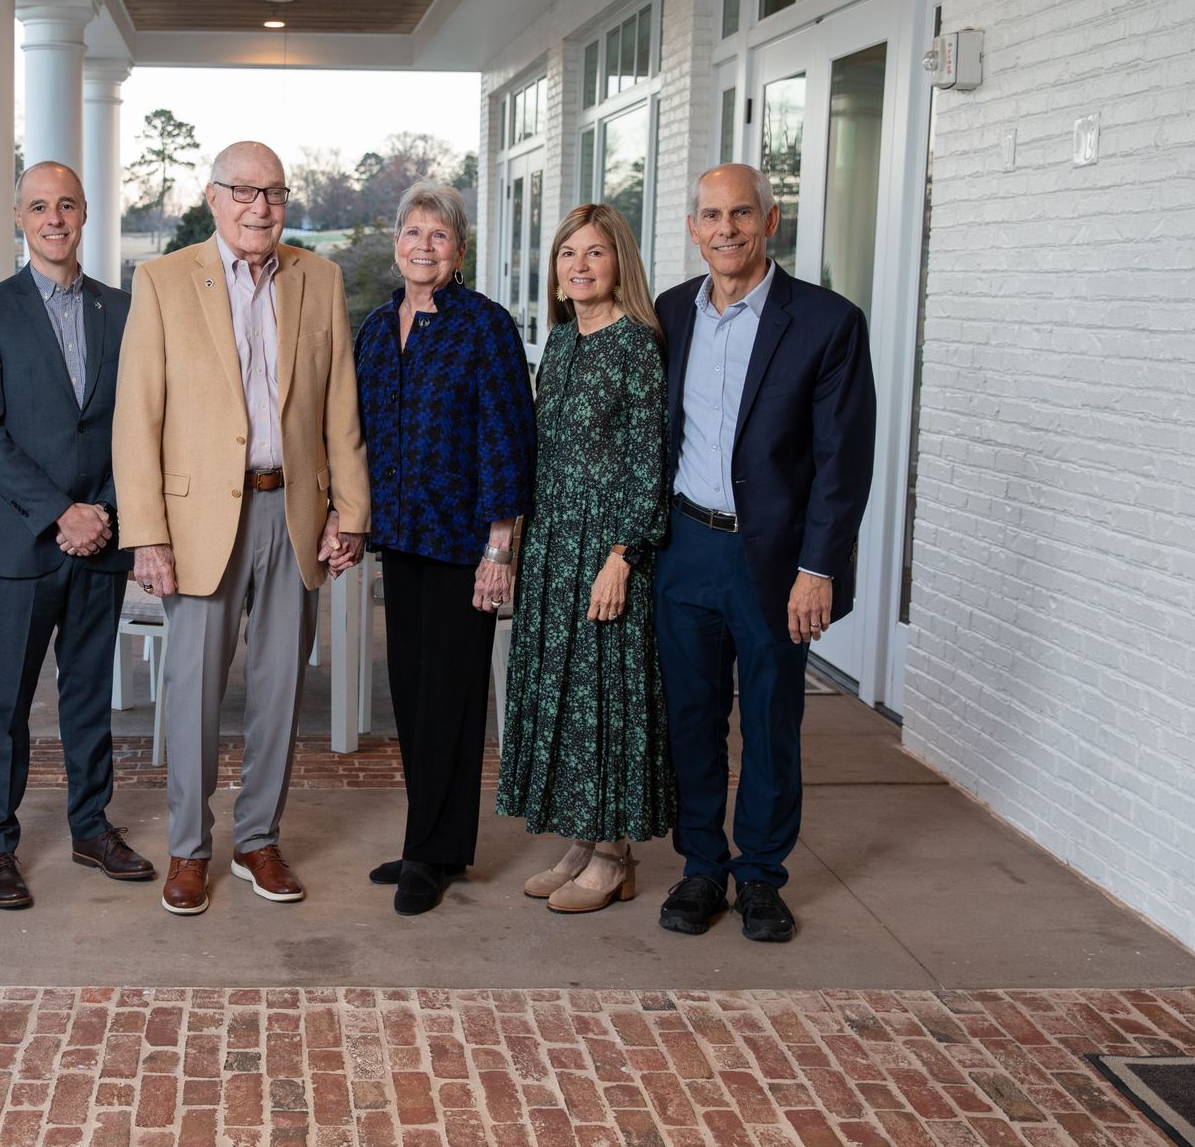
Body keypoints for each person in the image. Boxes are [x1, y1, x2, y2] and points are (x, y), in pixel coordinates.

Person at [112, 140, 370, 916]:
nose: (261, 208)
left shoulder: (318, 279)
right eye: (245, 192)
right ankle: (188, 850)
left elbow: (340, 407)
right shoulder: (162, 280)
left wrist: (351, 512)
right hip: (194, 519)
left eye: (275, 194)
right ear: (214, 196)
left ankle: (259, 838)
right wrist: (146, 534)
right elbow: (137, 417)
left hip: (292, 509)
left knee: (280, 687)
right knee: (191, 691)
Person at [655, 163, 875, 943]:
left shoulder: (826, 322)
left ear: (770, 221)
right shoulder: (672, 312)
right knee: (691, 716)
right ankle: (702, 866)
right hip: (685, 548)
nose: (726, 229)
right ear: (693, 228)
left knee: (773, 719)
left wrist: (818, 569)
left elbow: (842, 465)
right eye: (711, 215)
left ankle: (760, 878)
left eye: (741, 214)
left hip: (776, 560)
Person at [0, 160, 154, 910]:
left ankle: (91, 825)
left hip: (100, 538)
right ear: (19, 217)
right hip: (19, 543)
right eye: (38, 206)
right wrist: (60, 512)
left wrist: (102, 515)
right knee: (4, 700)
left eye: (66, 204)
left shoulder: (122, 310)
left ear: (86, 213)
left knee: (87, 696)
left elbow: (136, 425)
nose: (54, 218)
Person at [354, 180, 534, 916]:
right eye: (412, 232)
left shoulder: (484, 326)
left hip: (463, 542)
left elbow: (507, 436)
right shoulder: (374, 328)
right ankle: (434, 838)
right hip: (400, 539)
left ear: (459, 250)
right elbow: (355, 434)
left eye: (439, 235)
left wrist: (500, 547)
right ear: (396, 242)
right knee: (411, 693)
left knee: (451, 700)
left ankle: (431, 853)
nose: (423, 246)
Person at [495, 203, 673, 914]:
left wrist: (622, 554)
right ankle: (581, 838)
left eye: (595, 252)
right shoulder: (562, 343)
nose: (579, 265)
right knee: (561, 694)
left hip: (606, 545)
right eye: (569, 253)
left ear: (618, 263)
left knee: (604, 696)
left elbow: (648, 460)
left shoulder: (636, 343)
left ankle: (613, 855)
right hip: (552, 544)